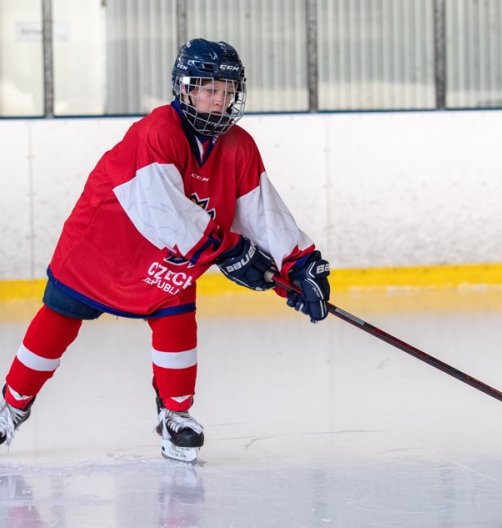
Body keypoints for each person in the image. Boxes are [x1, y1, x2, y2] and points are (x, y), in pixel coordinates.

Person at [0, 38, 330, 463]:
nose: (219, 100)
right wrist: (230, 251)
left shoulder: (238, 145)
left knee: (176, 318)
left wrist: (299, 264)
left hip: (174, 255)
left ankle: (176, 416)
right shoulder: (157, 131)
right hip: (104, 244)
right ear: (186, 89)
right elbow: (164, 214)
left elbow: (261, 210)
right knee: (60, 317)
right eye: (210, 89)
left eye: (228, 91)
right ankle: (12, 403)